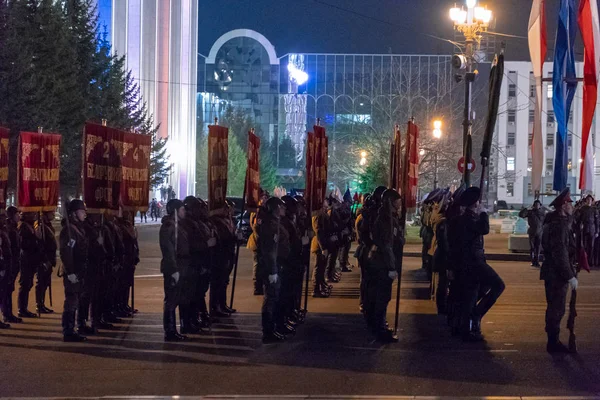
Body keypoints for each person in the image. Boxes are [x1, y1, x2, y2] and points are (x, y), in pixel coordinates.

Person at [455, 187, 505, 342]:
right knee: (498, 285)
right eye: (478, 202)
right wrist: (484, 213)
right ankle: (475, 317)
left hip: (472, 261)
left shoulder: (467, 218)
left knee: (472, 294)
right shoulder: (469, 219)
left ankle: (468, 326)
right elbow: (484, 229)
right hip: (473, 262)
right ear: (475, 203)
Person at [541, 187, 578, 353]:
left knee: (554, 307)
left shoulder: (554, 222)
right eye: (570, 204)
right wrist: (569, 276)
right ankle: (553, 342)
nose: (572, 206)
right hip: (556, 273)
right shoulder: (559, 226)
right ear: (563, 205)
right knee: (557, 308)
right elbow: (560, 253)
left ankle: (553, 340)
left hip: (552, 271)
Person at [366, 189, 403, 342]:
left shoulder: (388, 217)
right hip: (383, 264)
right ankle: (379, 329)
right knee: (382, 297)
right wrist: (392, 267)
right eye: (397, 202)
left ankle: (379, 326)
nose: (400, 204)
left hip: (382, 262)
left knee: (381, 297)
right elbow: (387, 245)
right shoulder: (385, 219)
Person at [255, 196, 289, 343]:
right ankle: (267, 332)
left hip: (276, 265)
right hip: (271, 267)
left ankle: (272, 328)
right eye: (281, 206)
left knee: (274, 298)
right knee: (271, 298)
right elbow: (270, 250)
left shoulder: (275, 223)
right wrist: (272, 270)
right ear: (276, 208)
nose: (284, 209)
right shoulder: (270, 225)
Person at [59, 199, 89, 342]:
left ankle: (74, 327)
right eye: (81, 211)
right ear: (73, 214)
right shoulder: (69, 230)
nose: (84, 214)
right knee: (71, 301)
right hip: (73, 273)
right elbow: (66, 253)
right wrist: (70, 271)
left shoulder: (77, 228)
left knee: (76, 300)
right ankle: (68, 331)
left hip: (79, 271)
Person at [159, 199, 189, 341]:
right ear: (175, 211)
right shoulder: (169, 226)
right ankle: (169, 331)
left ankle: (173, 329)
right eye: (182, 209)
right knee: (171, 300)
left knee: (176, 298)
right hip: (173, 267)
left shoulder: (178, 226)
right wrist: (174, 269)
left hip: (181, 266)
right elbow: (168, 250)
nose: (184, 212)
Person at [18, 212, 43, 318]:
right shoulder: (23, 227)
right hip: (26, 260)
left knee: (28, 285)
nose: (33, 216)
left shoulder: (31, 226)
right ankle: (22, 309)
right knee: (24, 285)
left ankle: (24, 308)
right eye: (31, 214)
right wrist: (34, 238)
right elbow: (24, 244)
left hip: (31, 260)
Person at [2, 207, 22, 323]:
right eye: (17, 214)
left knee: (9, 289)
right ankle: (7, 314)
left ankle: (9, 313)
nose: (19, 216)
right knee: (6, 290)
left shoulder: (12, 228)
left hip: (13, 263)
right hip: (9, 263)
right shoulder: (9, 229)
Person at [311, 198, 333, 298]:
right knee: (318, 268)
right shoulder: (318, 214)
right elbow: (318, 231)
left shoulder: (322, 213)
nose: (327, 202)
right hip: (319, 245)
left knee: (321, 268)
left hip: (324, 244)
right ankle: (315, 289)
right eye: (324, 200)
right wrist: (323, 247)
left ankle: (320, 286)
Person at [36, 211, 57, 314]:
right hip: (44, 260)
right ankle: (39, 305)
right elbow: (40, 246)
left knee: (45, 283)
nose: (53, 214)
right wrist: (45, 260)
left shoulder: (48, 226)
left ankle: (42, 304)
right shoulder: (40, 227)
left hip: (50, 259)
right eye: (51, 213)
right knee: (41, 283)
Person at [519, 200, 546, 267]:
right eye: (536, 204)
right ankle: (533, 260)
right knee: (532, 247)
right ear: (533, 205)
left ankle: (536, 261)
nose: (537, 206)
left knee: (538, 247)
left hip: (540, 232)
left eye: (538, 204)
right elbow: (521, 215)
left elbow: (547, 220)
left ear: (540, 205)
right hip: (532, 232)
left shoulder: (542, 213)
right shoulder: (530, 212)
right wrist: (526, 208)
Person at [576, 194, 597, 268]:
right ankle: (583, 261)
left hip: (592, 228)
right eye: (587, 199)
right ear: (586, 200)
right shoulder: (583, 209)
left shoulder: (594, 209)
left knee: (591, 246)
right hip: (584, 228)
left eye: (590, 199)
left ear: (592, 200)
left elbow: (596, 220)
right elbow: (579, 219)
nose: (589, 201)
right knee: (584, 245)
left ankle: (590, 261)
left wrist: (597, 231)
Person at [0, 209, 12, 328]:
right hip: (1, 265)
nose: (4, 219)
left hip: (5, 264)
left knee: (4, 292)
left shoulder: (4, 229)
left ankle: (7, 313)